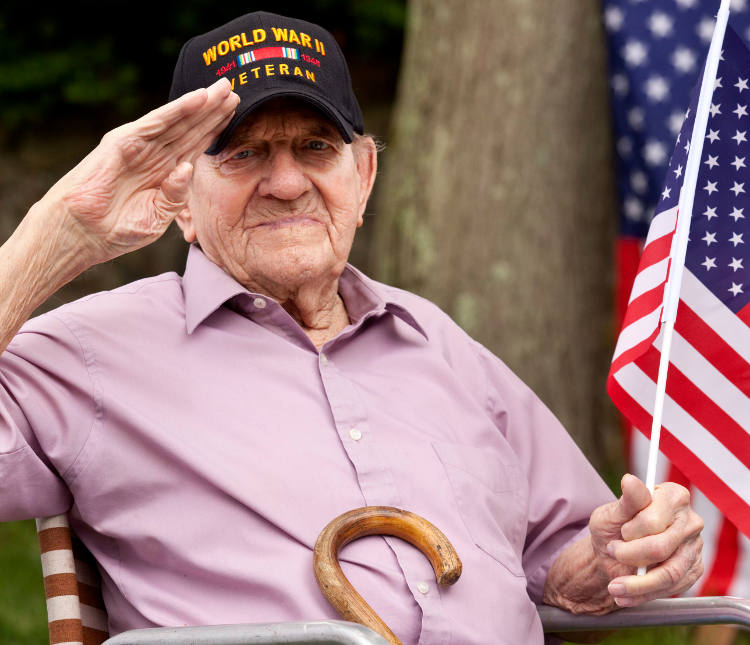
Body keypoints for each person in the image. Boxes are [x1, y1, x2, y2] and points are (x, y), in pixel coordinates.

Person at [0, 11, 703, 645]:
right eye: (243, 152)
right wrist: (60, 230)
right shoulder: (94, 354)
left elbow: (566, 556)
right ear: (181, 191)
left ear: (362, 177)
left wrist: (608, 560)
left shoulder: (435, 341)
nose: (285, 182)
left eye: (315, 147)